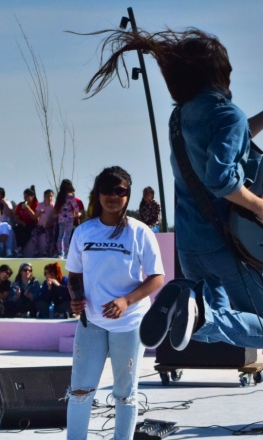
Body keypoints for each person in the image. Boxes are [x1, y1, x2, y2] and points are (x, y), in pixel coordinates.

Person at [80, 29, 263, 355]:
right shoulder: (228, 115)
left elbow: (231, 136)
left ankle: (188, 310)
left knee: (196, 326)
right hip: (228, 243)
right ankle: (197, 314)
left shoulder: (180, 116)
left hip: (189, 247)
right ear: (217, 72)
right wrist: (260, 206)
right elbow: (220, 177)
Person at [65, 166, 165, 440]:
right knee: (80, 391)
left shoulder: (140, 232)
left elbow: (157, 277)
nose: (113, 196)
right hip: (91, 323)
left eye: (120, 191)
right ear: (98, 194)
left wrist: (126, 300)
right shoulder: (84, 232)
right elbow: (74, 274)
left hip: (130, 324)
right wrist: (75, 299)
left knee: (124, 394)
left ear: (128, 195)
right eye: (107, 190)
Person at [54, 179, 81, 259]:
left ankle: (60, 253)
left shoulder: (60, 196)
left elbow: (57, 208)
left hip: (61, 218)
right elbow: (75, 206)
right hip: (69, 218)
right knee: (67, 236)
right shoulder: (70, 196)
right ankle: (66, 253)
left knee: (60, 236)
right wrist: (78, 213)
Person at [13, 186, 39, 256]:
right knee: (17, 228)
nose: (25, 198)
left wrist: (28, 209)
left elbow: (36, 219)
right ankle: (19, 248)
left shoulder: (36, 204)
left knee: (30, 231)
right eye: (24, 196)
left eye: (27, 196)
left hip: (32, 223)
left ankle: (21, 248)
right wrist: (21, 222)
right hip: (22, 223)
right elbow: (16, 218)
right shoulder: (20, 205)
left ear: (32, 196)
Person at [34, 189, 56, 257]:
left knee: (49, 236)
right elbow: (35, 216)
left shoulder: (53, 206)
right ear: (44, 196)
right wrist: (39, 212)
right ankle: (36, 251)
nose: (49, 198)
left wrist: (49, 224)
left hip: (49, 226)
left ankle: (46, 252)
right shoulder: (40, 205)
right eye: (48, 196)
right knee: (34, 234)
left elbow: (54, 218)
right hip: (40, 225)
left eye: (51, 196)